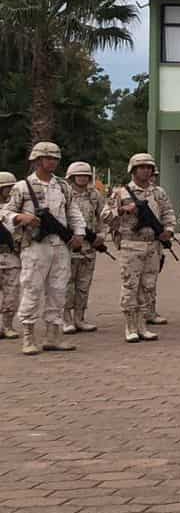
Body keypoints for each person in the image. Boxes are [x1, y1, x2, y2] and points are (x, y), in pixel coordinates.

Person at [5, 142, 86, 355]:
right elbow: (5, 212)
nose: (53, 162)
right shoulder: (22, 187)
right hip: (35, 246)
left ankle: (53, 336)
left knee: (59, 291)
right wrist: (20, 217)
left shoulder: (62, 186)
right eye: (48, 158)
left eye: (55, 158)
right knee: (32, 289)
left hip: (60, 245)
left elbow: (73, 211)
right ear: (38, 160)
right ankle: (28, 336)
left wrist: (79, 233)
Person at [104, 152, 177, 342]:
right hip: (131, 244)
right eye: (141, 167)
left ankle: (143, 324)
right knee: (130, 285)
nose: (145, 171)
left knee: (148, 286)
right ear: (133, 170)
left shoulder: (158, 192)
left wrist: (168, 230)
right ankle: (130, 326)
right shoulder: (121, 193)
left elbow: (168, 213)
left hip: (152, 244)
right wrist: (121, 210)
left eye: (148, 168)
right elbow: (105, 215)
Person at [63, 161, 105, 335]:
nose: (82, 178)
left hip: (89, 246)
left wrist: (101, 236)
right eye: (78, 175)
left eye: (85, 176)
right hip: (69, 245)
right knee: (67, 283)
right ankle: (66, 319)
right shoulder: (65, 193)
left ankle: (80, 318)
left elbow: (102, 216)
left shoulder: (94, 195)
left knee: (83, 284)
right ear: (71, 177)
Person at [0, 172, 19, 339]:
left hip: (11, 255)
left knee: (11, 293)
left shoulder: (15, 210)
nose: (11, 191)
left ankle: (7, 325)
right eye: (8, 188)